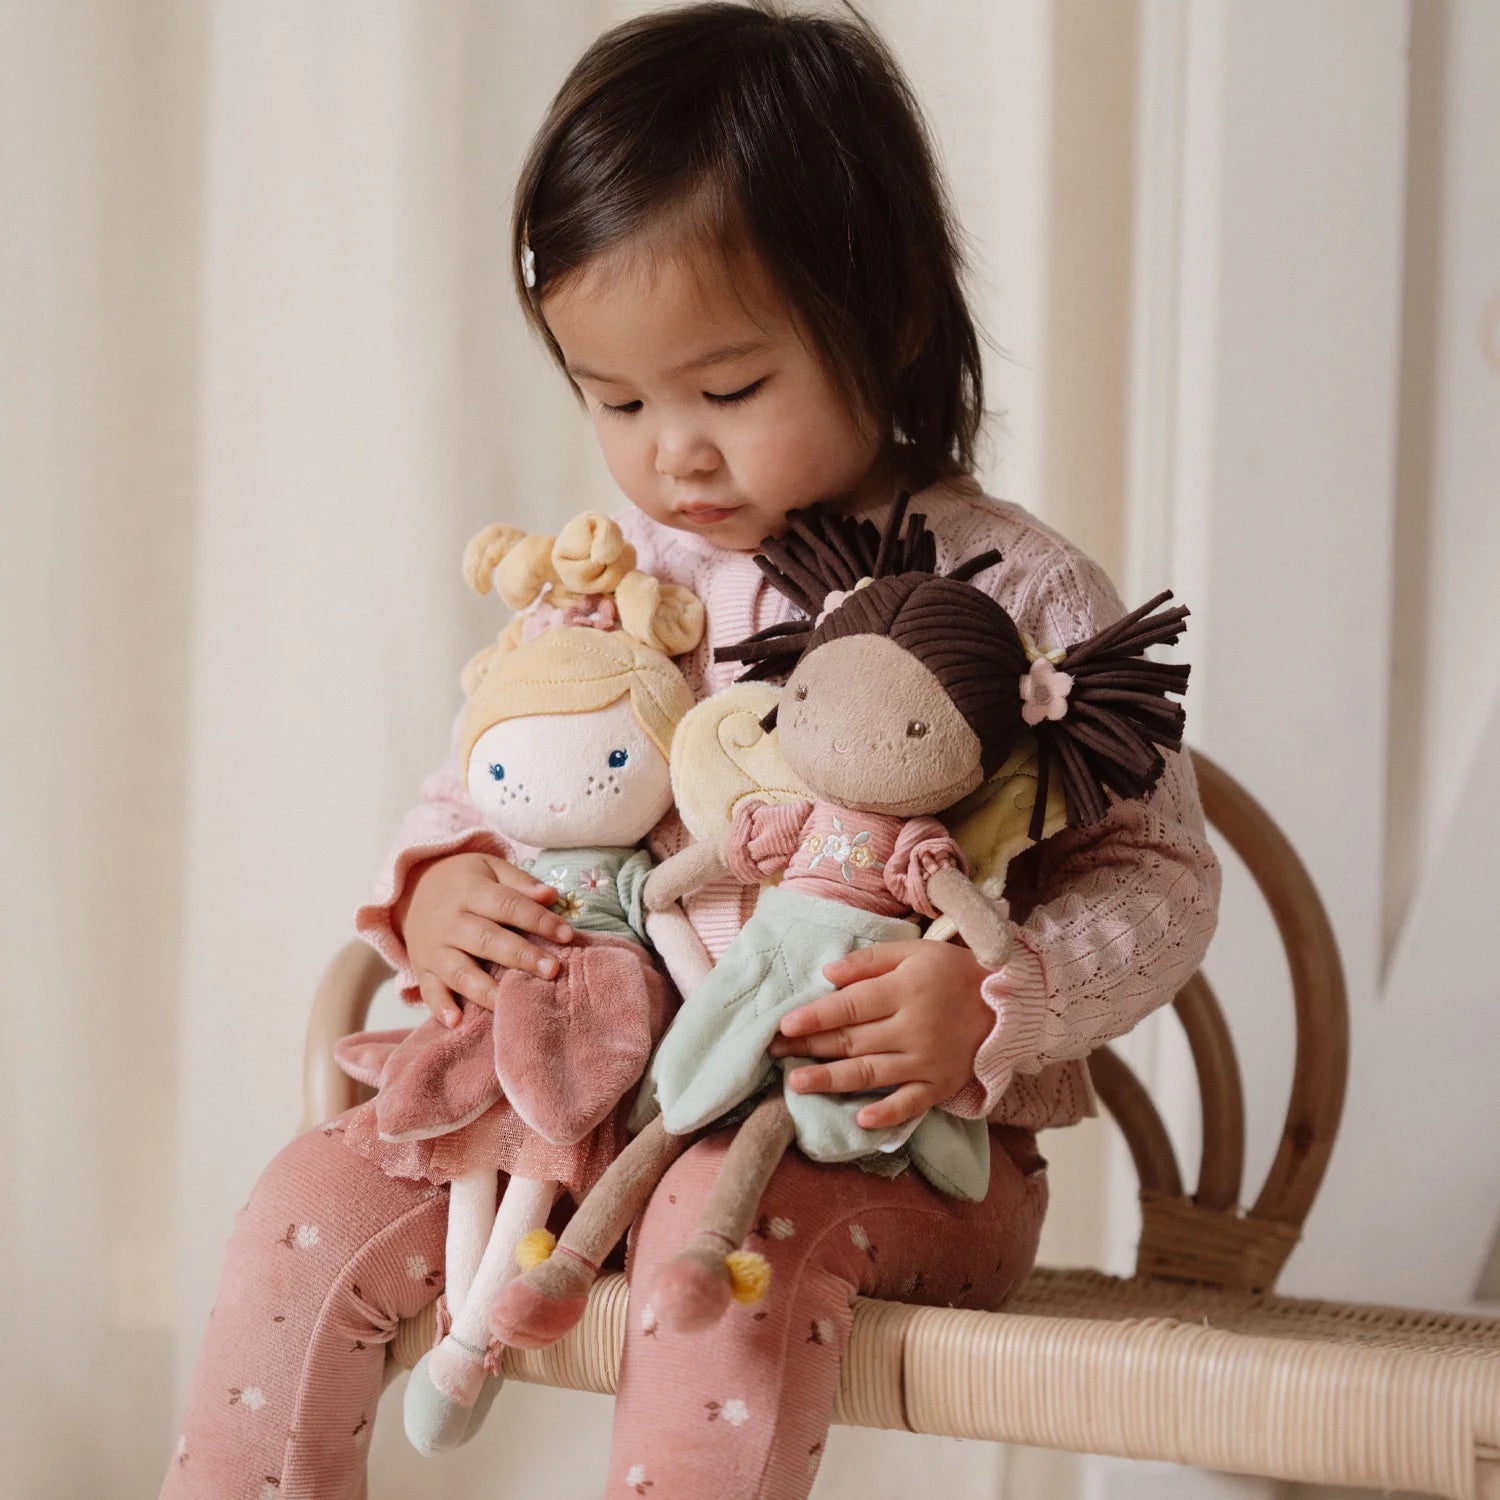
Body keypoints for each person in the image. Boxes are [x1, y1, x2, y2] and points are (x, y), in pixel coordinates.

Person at [160, 6, 1220, 1498]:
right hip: (588, 1105)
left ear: (893, 320)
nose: (675, 453)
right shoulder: (619, 579)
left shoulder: (1018, 592)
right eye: (616, 399)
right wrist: (442, 879)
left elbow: (1162, 875)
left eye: (728, 391)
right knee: (309, 1199)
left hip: (870, 1150)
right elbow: (509, 758)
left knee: (703, 1253)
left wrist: (990, 994)